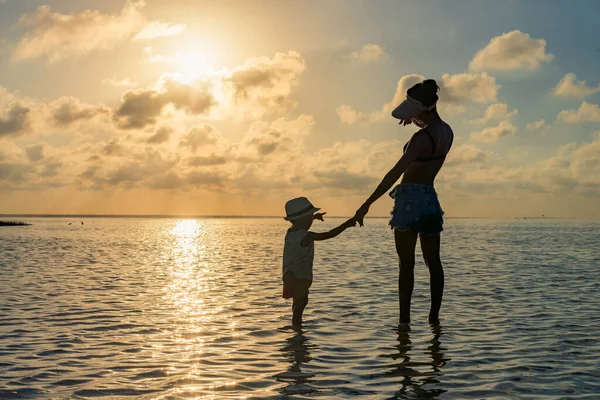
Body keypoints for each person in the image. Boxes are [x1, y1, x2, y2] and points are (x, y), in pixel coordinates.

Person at [353, 79, 454, 326]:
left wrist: (367, 203)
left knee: (406, 264)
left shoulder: (420, 139)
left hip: (409, 200)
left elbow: (394, 173)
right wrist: (417, 119)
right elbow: (430, 133)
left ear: (420, 109)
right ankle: (434, 319)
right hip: (430, 199)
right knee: (434, 263)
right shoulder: (446, 132)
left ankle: (404, 322)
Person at [282, 197, 356, 328]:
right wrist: (347, 224)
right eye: (310, 217)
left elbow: (301, 223)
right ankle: (297, 328)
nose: (311, 220)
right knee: (301, 302)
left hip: (289, 275)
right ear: (304, 219)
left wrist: (314, 217)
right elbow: (329, 234)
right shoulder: (307, 236)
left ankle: (296, 328)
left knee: (297, 302)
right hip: (300, 276)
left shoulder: (290, 232)